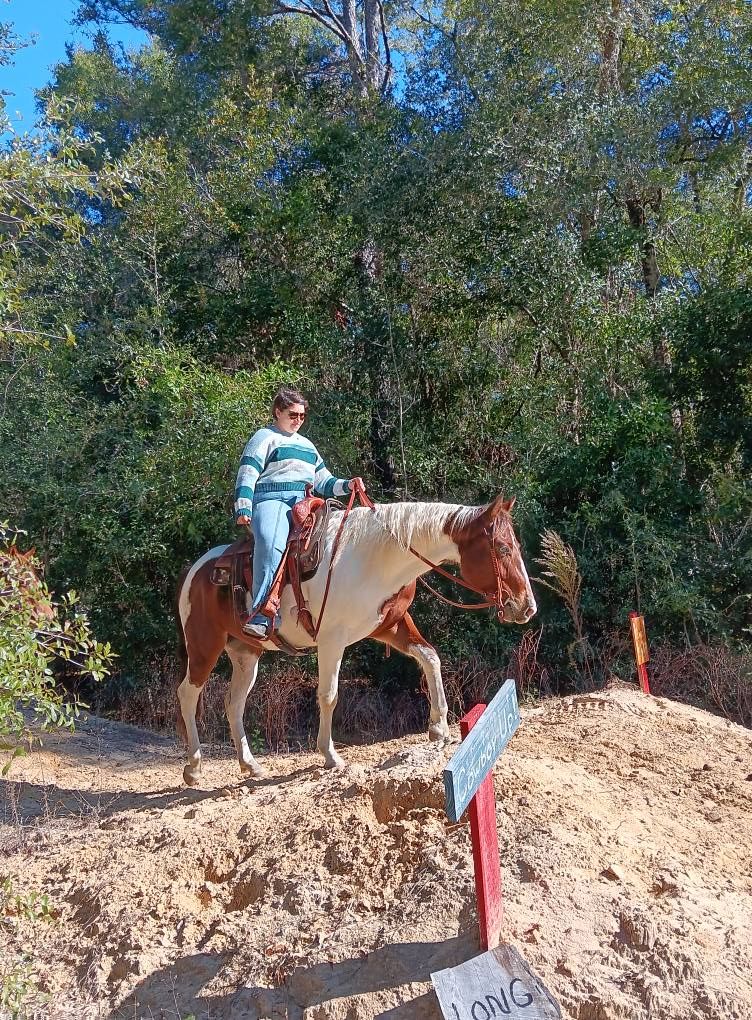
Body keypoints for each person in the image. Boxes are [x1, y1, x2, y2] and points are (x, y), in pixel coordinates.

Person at [235, 387, 363, 638]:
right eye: (293, 415)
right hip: (271, 500)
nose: (298, 420)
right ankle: (262, 614)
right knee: (272, 544)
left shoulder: (307, 445)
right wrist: (243, 505)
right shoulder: (264, 437)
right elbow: (248, 471)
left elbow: (324, 482)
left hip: (305, 503)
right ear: (277, 411)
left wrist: (347, 485)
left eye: (302, 416)